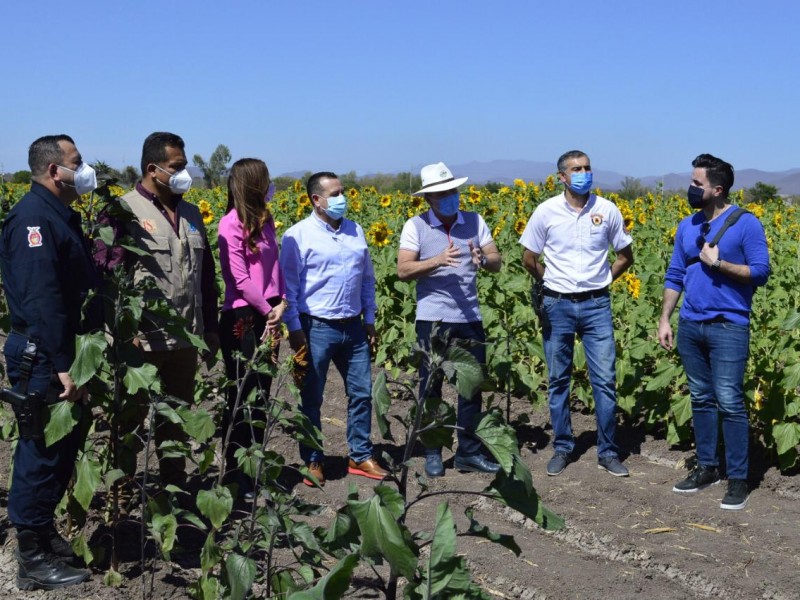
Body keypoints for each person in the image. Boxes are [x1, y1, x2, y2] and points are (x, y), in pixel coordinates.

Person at [95, 132, 220, 491]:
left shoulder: (192, 213)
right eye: (177, 167)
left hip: (184, 337)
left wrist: (209, 326)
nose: (185, 174)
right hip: (140, 341)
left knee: (176, 419)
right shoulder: (123, 210)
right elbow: (106, 278)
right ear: (153, 169)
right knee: (130, 422)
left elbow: (206, 277)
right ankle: (123, 491)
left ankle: (173, 488)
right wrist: (121, 331)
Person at [0, 134, 98, 589]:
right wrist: (63, 365)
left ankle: (42, 533)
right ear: (55, 171)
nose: (84, 169)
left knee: (59, 449)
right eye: (77, 162)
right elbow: (42, 300)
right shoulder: (32, 220)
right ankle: (30, 557)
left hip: (57, 350)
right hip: (44, 354)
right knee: (40, 451)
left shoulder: (57, 215)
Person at [658, 154, 769, 510]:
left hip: (729, 326)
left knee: (730, 402)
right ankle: (707, 468)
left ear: (717, 189)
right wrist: (665, 319)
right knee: (702, 398)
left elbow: (761, 272)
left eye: (697, 183)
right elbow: (675, 275)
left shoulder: (746, 225)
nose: (690, 188)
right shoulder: (686, 225)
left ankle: (738, 479)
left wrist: (719, 263)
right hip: (691, 324)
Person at [519, 150, 634, 477]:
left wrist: (603, 280)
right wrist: (551, 281)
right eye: (576, 169)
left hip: (597, 304)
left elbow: (626, 255)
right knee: (558, 380)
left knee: (605, 381)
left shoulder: (607, 210)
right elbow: (529, 258)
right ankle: (563, 447)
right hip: (558, 304)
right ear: (562, 177)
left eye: (587, 167)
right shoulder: (546, 212)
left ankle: (608, 452)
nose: (584, 173)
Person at [280, 171, 388, 486]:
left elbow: (367, 278)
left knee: (361, 393)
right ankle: (313, 461)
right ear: (316, 199)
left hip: (353, 326)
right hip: (316, 327)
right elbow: (290, 288)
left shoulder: (356, 231)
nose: (343, 198)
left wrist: (370, 318)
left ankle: (360, 455)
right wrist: (295, 329)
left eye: (343, 192)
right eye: (336, 193)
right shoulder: (297, 236)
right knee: (312, 396)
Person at [397, 162, 503, 478]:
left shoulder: (474, 221)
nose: (450, 197)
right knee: (431, 387)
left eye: (452, 191)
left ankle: (468, 452)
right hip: (432, 320)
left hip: (469, 317)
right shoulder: (414, 226)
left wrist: (483, 259)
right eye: (442, 193)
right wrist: (437, 261)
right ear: (428, 198)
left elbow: (496, 261)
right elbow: (403, 270)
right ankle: (432, 451)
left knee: (470, 389)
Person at [217, 158, 286, 499]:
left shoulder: (266, 220)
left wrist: (281, 303)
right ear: (254, 184)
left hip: (268, 313)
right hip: (243, 317)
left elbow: (276, 268)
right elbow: (240, 280)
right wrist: (267, 309)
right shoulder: (229, 225)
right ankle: (235, 470)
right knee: (243, 394)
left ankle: (255, 464)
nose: (272, 184)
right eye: (267, 179)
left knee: (262, 393)